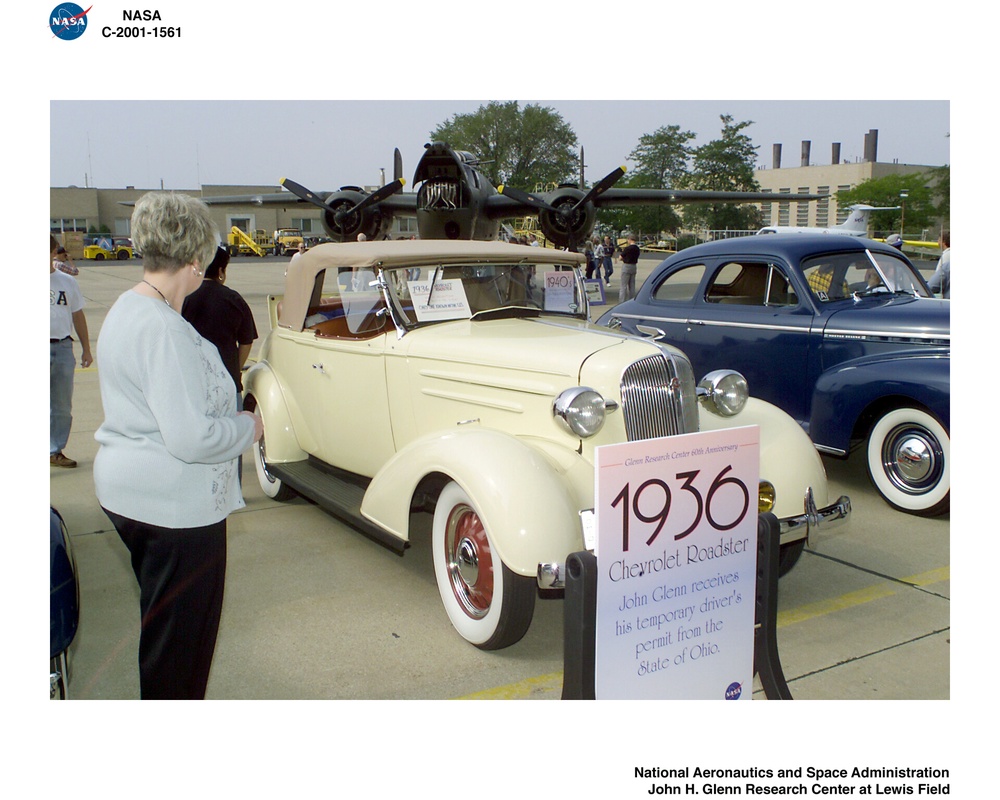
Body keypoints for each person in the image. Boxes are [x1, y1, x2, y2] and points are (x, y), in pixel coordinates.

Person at [93, 192, 262, 699]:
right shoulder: (163, 328)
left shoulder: (128, 307)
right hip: (174, 511)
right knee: (180, 651)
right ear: (194, 259)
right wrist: (248, 428)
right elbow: (192, 439)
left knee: (165, 632)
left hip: (132, 494)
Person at [181, 246, 258, 397]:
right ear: (221, 271)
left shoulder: (184, 298)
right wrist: (235, 370)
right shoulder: (235, 300)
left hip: (193, 384)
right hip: (228, 384)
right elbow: (246, 342)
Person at [50, 234, 93, 468]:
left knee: (61, 406)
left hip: (62, 347)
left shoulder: (67, 282)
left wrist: (87, 348)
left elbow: (78, 315)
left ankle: (54, 450)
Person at [926, 230, 950, 298]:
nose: (938, 242)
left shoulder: (946, 256)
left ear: (943, 242)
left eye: (939, 240)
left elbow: (936, 282)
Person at [618, 235, 641, 302]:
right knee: (632, 285)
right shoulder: (637, 248)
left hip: (627, 266)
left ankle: (622, 301)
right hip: (634, 266)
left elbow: (620, 257)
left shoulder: (627, 248)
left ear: (630, 239)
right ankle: (631, 299)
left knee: (623, 285)